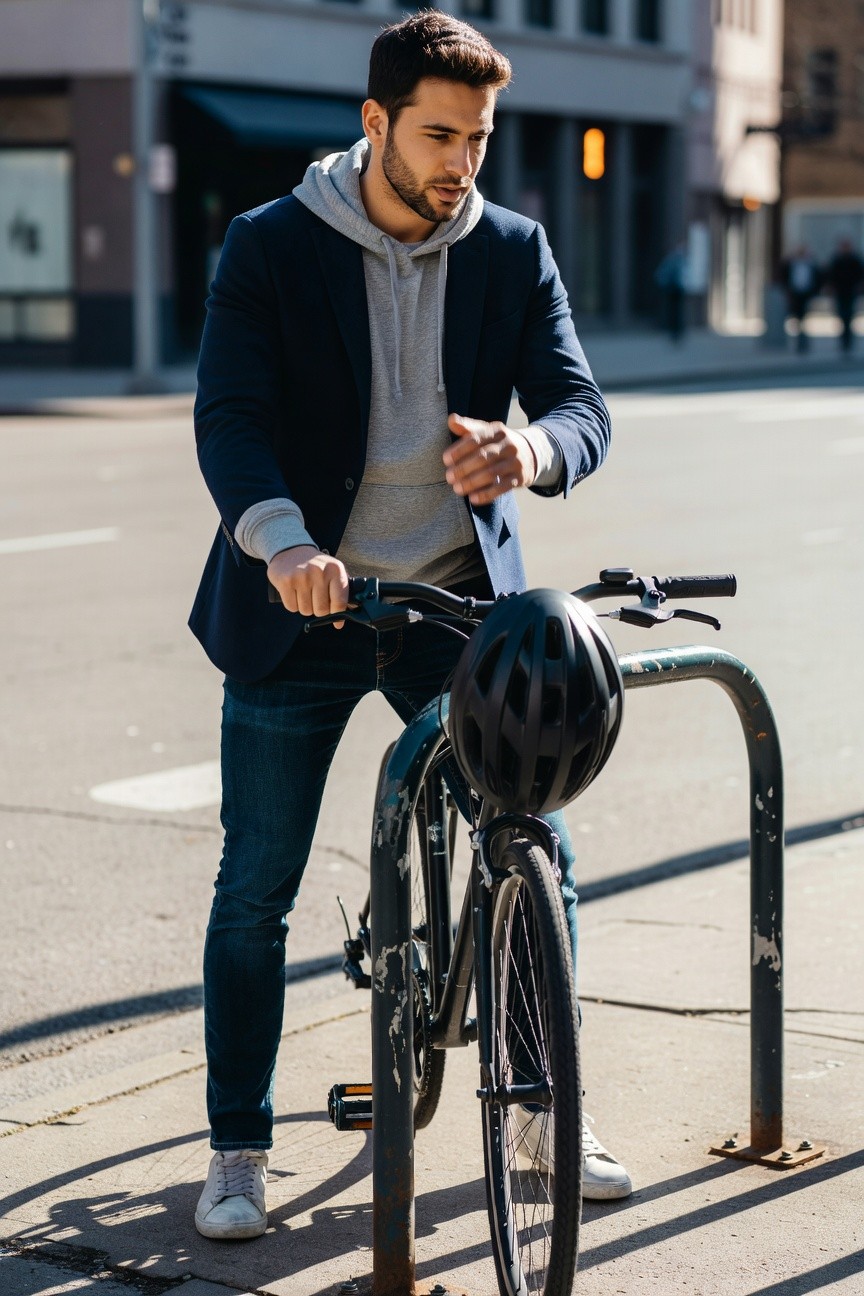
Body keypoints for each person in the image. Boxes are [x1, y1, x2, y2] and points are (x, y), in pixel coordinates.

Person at [190, 11, 631, 1241]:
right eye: (438, 134)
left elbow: (581, 405)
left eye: (478, 137)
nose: (461, 162)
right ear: (375, 121)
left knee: (530, 842)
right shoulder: (271, 245)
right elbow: (230, 418)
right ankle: (236, 1148)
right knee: (256, 888)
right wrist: (284, 545)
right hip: (303, 601)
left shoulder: (510, 247)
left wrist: (529, 448)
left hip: (454, 602)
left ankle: (546, 1110)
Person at [824, 237, 864, 353]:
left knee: (849, 316)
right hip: (840, 292)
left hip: (851, 292)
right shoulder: (837, 259)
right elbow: (831, 275)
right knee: (841, 315)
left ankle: (848, 341)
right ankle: (843, 341)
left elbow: (860, 275)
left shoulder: (855, 259)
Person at [780, 245, 821, 353]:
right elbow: (783, 276)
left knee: (804, 316)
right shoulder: (792, 265)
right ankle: (800, 340)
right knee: (796, 317)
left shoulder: (811, 265)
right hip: (795, 294)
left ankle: (804, 340)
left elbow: (818, 278)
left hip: (807, 294)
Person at [654, 242, 688, 342]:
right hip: (676, 289)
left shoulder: (674, 260)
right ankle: (676, 331)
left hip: (674, 290)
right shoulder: (678, 260)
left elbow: (660, 274)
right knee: (676, 311)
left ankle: (676, 331)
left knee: (675, 311)